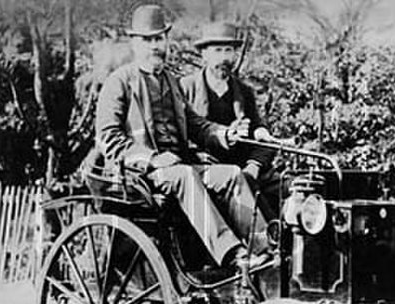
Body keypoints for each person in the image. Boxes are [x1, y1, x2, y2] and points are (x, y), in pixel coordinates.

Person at [95, 5, 270, 269]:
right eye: (148, 40)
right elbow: (109, 139)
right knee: (186, 176)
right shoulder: (119, 82)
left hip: (179, 168)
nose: (155, 46)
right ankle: (232, 254)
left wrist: (224, 133)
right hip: (142, 176)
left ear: (166, 40)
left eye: (159, 39)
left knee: (232, 174)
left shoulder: (171, 82)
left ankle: (266, 248)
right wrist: (153, 159)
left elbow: (196, 125)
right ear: (135, 43)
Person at [179, 22, 281, 216]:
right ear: (204, 54)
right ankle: (264, 241)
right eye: (217, 51)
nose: (224, 58)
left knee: (294, 191)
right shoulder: (185, 88)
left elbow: (260, 131)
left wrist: (254, 165)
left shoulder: (244, 92)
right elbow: (182, 134)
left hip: (245, 168)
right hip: (207, 170)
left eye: (229, 51)